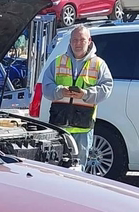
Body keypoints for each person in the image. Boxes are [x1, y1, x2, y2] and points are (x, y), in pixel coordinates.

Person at [39, 24, 113, 165]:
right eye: (74, 40)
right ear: (70, 42)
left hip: (83, 127)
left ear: (89, 41)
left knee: (79, 168)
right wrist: (60, 91)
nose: (77, 43)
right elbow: (46, 87)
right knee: (56, 166)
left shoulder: (98, 64)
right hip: (59, 126)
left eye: (82, 40)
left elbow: (107, 88)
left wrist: (86, 94)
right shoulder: (58, 62)